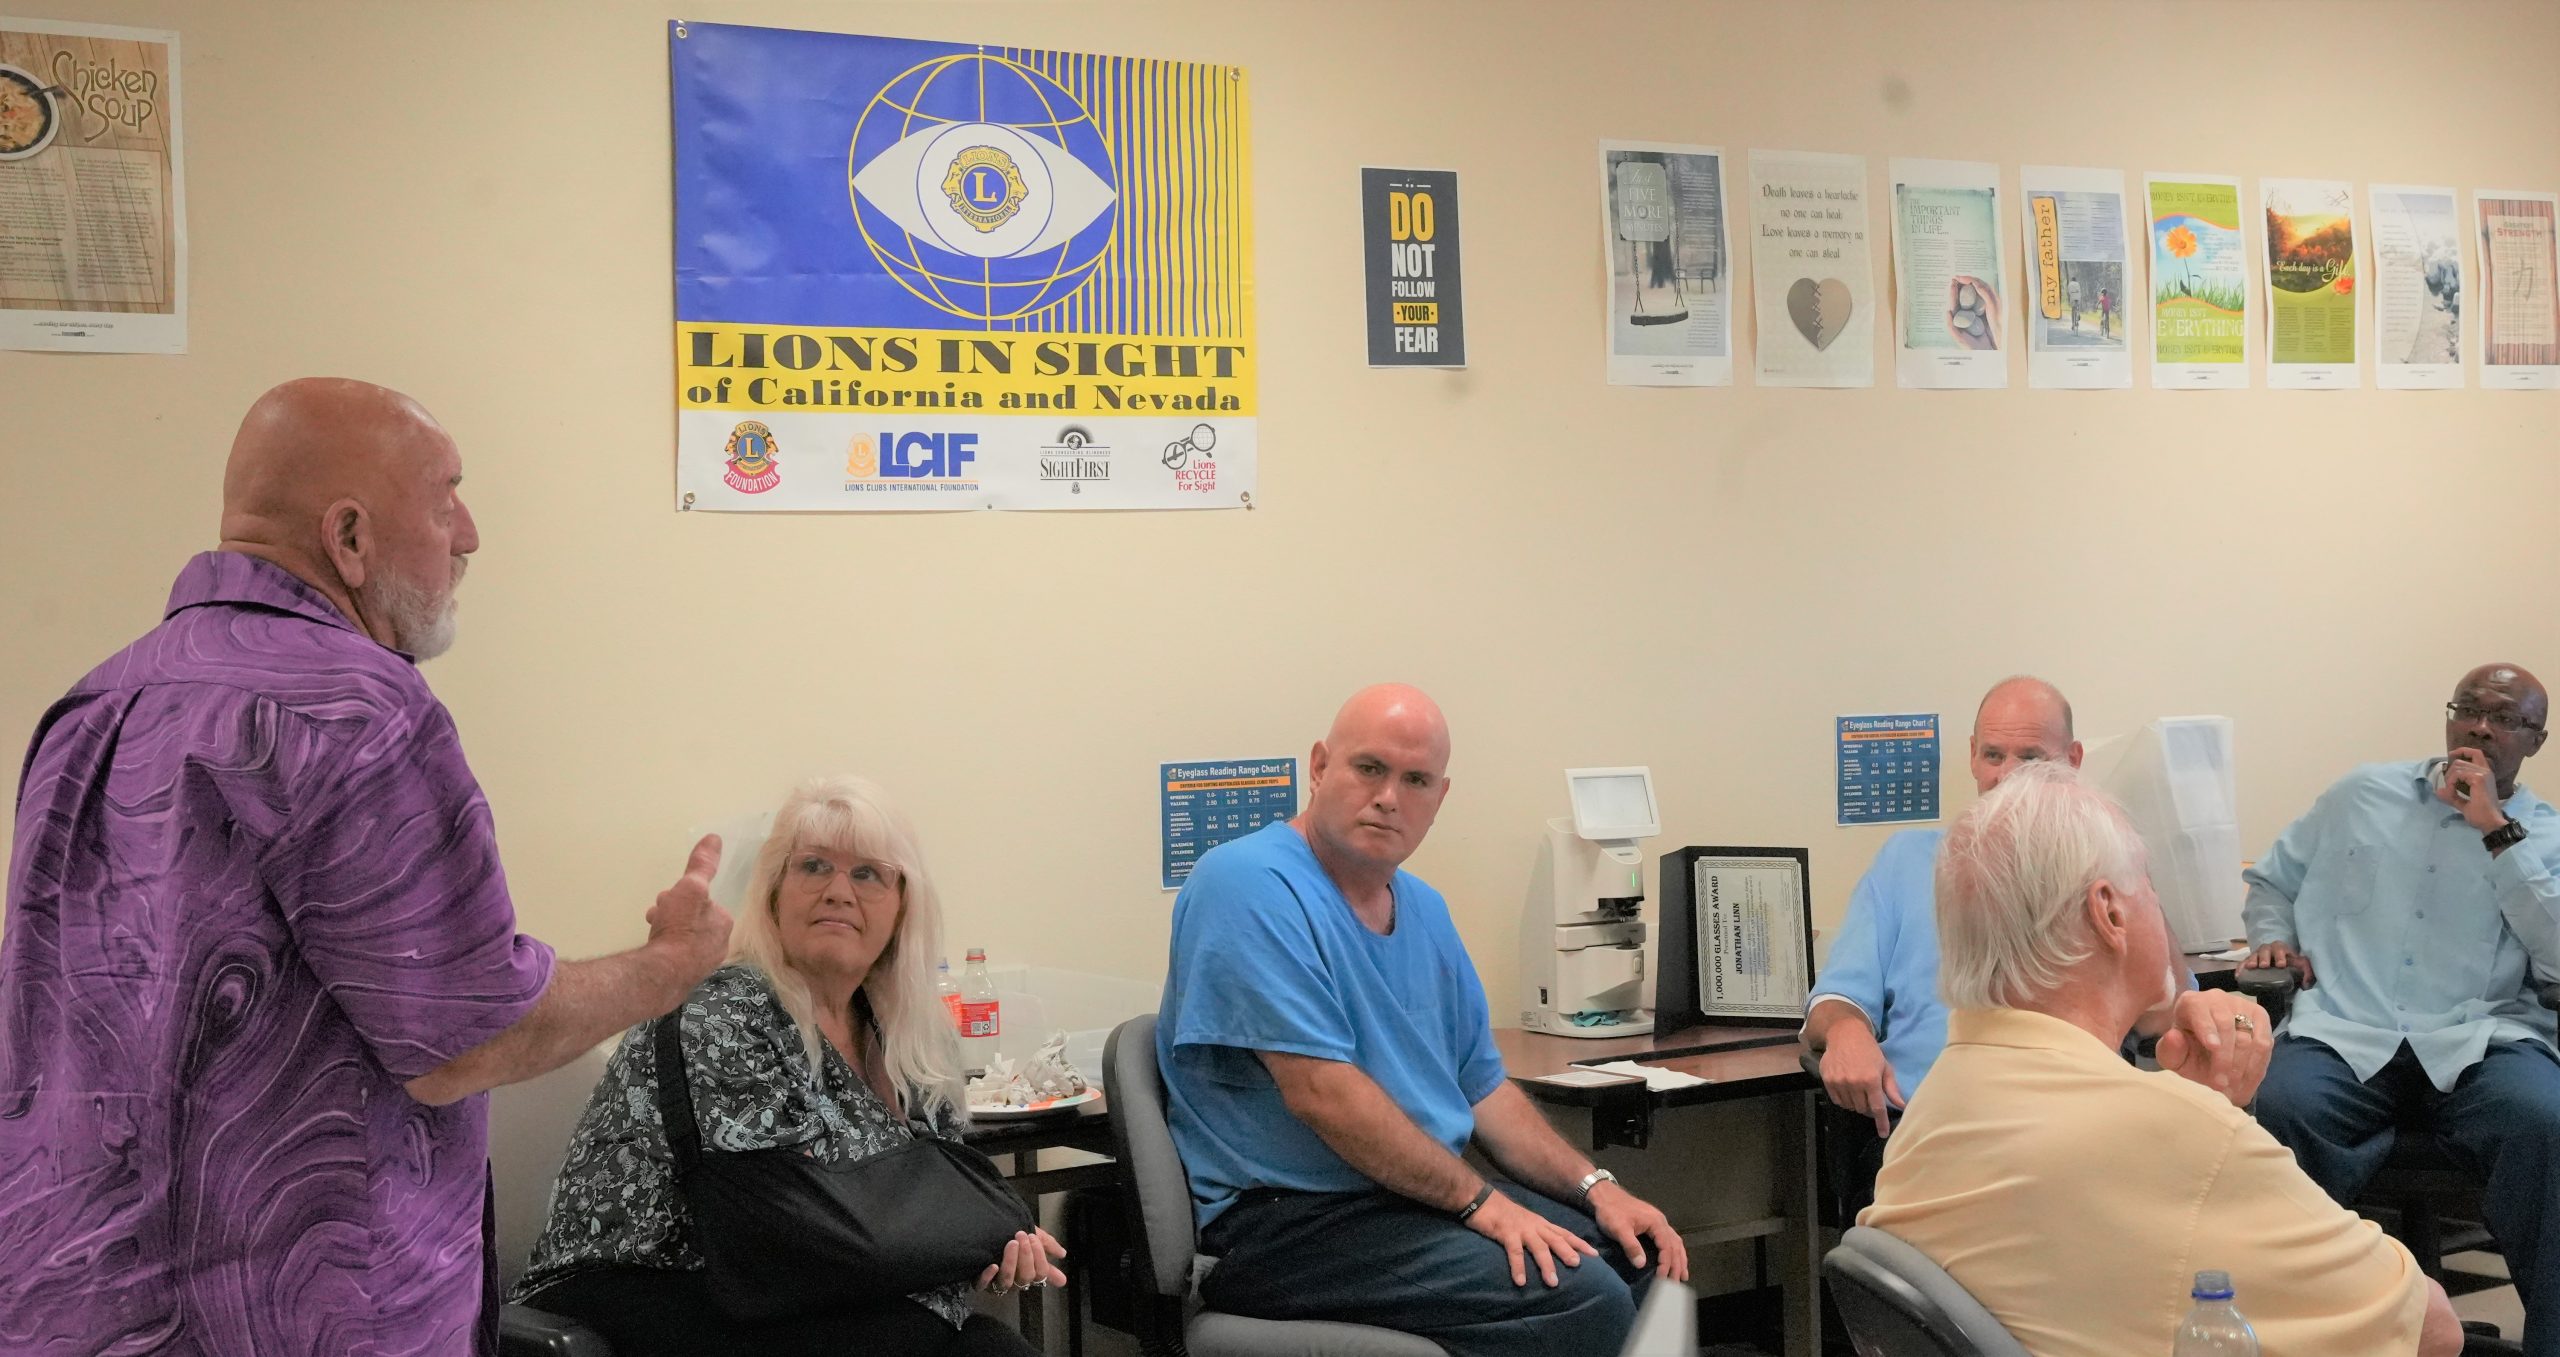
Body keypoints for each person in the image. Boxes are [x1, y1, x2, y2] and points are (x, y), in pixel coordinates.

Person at [0, 378, 735, 1355]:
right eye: (445, 497)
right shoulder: (358, 708)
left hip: (68, 1305)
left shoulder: (91, 705)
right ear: (348, 537)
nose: (468, 533)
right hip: (295, 1317)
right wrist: (667, 965)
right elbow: (462, 1042)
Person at [1156, 684, 1688, 1357]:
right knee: (1578, 1293)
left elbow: (1484, 1089)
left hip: (1409, 1200)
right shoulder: (1247, 883)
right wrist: (1481, 1203)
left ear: (1439, 798)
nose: (1388, 796)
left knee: (1640, 1258)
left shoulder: (1426, 911)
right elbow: (1323, 1095)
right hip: (1285, 1222)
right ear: (1319, 767)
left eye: (1415, 780)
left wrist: (1598, 1187)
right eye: (1369, 768)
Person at [1864, 763, 2463, 1357]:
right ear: (2111, 913)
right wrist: (2210, 1128)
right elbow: (2431, 1328)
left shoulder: (1934, 1111)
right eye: (2149, 887)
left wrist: (2202, 1115)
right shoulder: (2174, 1133)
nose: (2157, 906)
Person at [514, 775, 1055, 1356]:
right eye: (814, 867)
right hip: (647, 1278)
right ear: (774, 894)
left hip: (797, 1295)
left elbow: (933, 1203)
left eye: (868, 873)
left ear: (903, 909)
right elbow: (798, 1227)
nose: (839, 891)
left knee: (993, 1348)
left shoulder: (910, 1037)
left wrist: (998, 1248)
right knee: (912, 1338)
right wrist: (972, 1235)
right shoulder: (724, 1008)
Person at [2244, 662, 2560, 1355]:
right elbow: (2272, 880)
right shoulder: (2361, 794)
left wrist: (2495, 829)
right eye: (2469, 709)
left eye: (2504, 718)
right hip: (2347, 1029)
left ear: (2536, 740)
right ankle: (2302, 1333)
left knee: (2549, 1122)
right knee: (2275, 1109)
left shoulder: (2545, 834)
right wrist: (2274, 939)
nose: (2480, 726)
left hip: (2478, 1041)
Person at [1804, 677, 2086, 1146]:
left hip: (2067, 1133)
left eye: (2031, 758)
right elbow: (1836, 998)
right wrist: (1846, 1030)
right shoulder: (1908, 861)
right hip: (1924, 1131)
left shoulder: (2102, 867)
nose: (2006, 776)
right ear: (1973, 756)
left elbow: (2162, 1007)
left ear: (2071, 762)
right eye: (1993, 755)